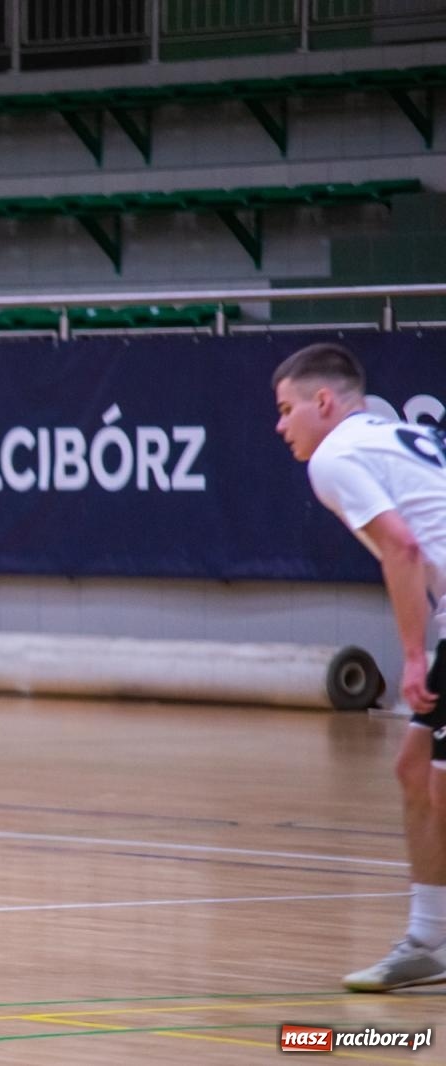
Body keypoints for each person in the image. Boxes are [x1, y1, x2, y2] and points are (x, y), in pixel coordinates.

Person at [273, 342, 446, 992]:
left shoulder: (335, 456)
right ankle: (428, 943)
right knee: (414, 768)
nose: (280, 426)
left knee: (441, 786)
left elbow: (402, 546)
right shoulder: (392, 435)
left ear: (323, 402)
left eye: (286, 409)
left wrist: (412, 655)